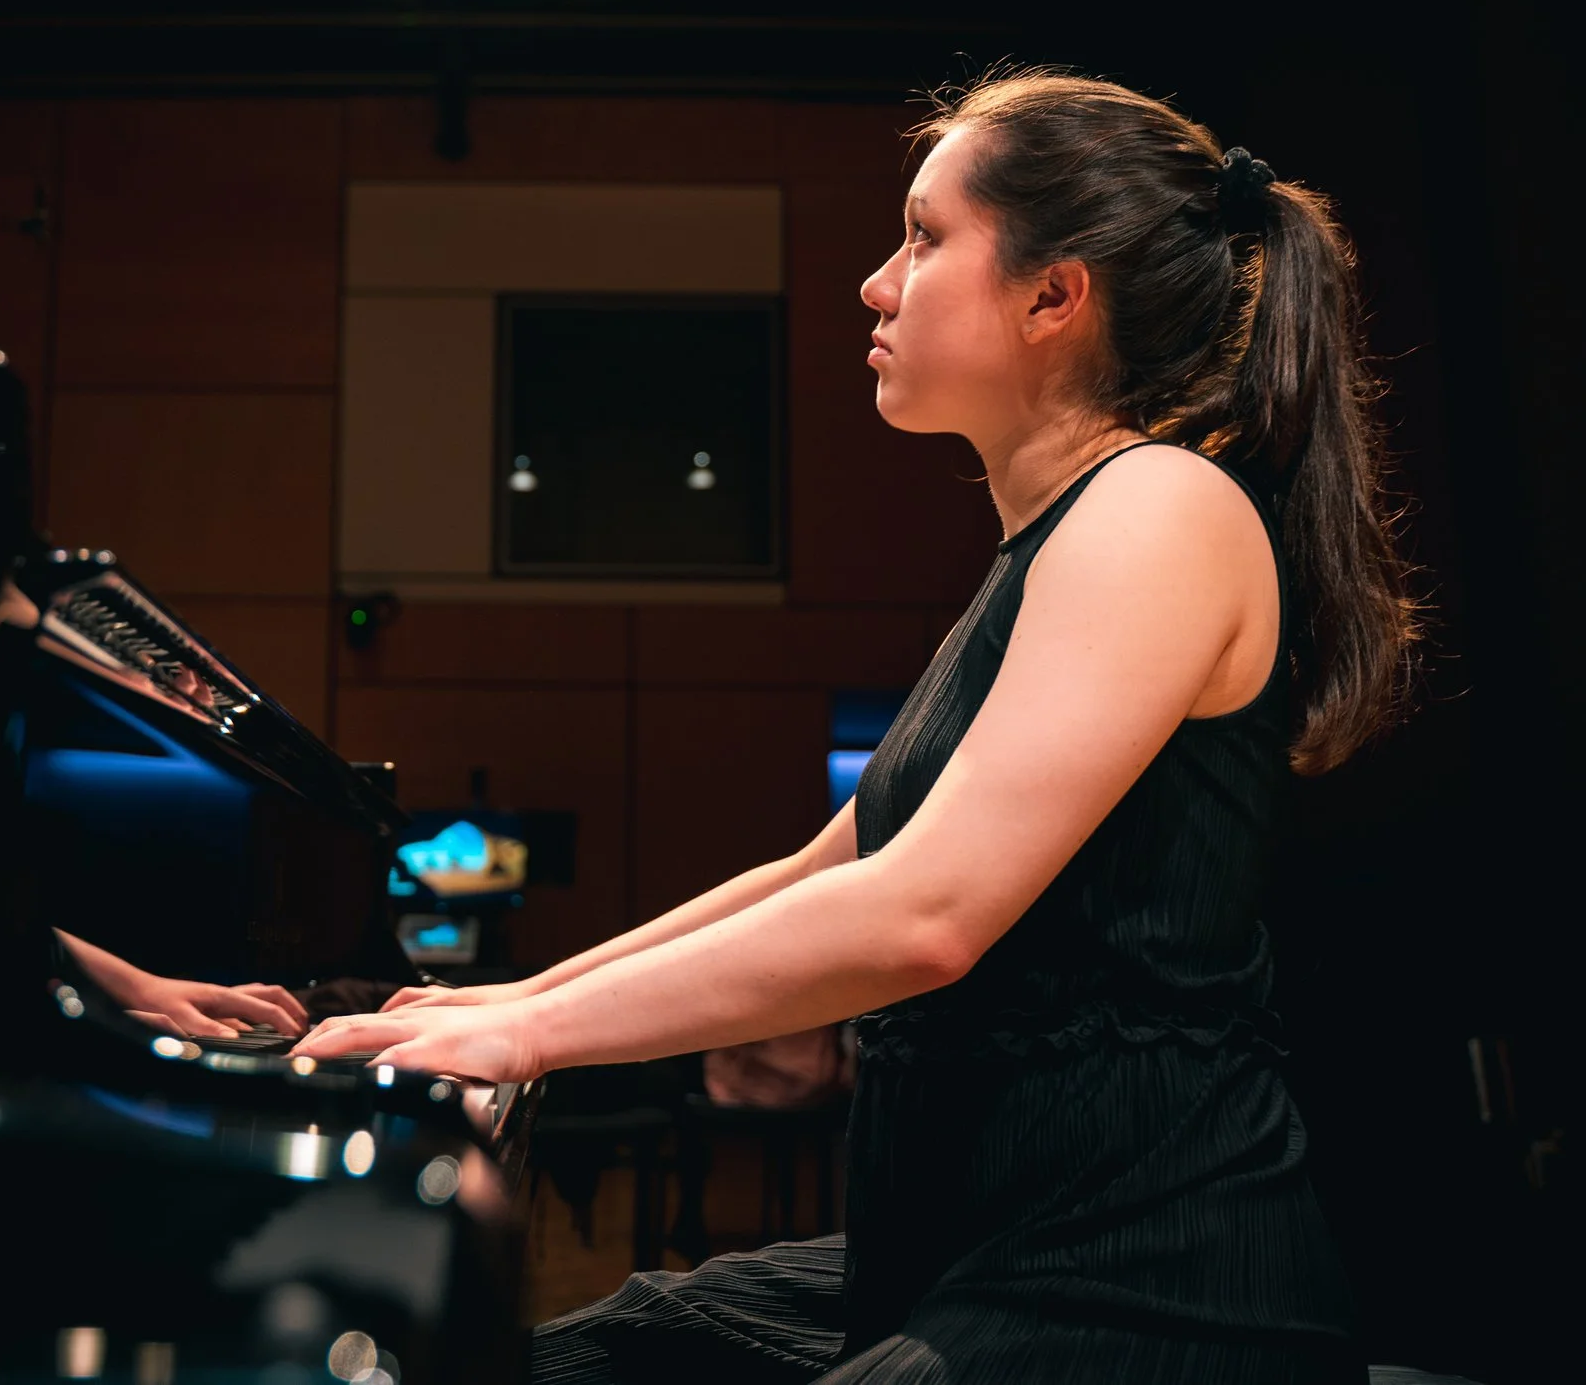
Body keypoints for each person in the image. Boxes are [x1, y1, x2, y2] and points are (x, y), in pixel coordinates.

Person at [293, 70, 1417, 1382]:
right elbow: (827, 869)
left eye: (927, 237)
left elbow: (927, 913)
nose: (878, 282)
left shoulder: (1160, 505)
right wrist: (514, 995)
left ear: (1055, 295)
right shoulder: (1040, 551)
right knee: (576, 1357)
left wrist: (535, 1040)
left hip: (1144, 1286)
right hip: (959, 1247)